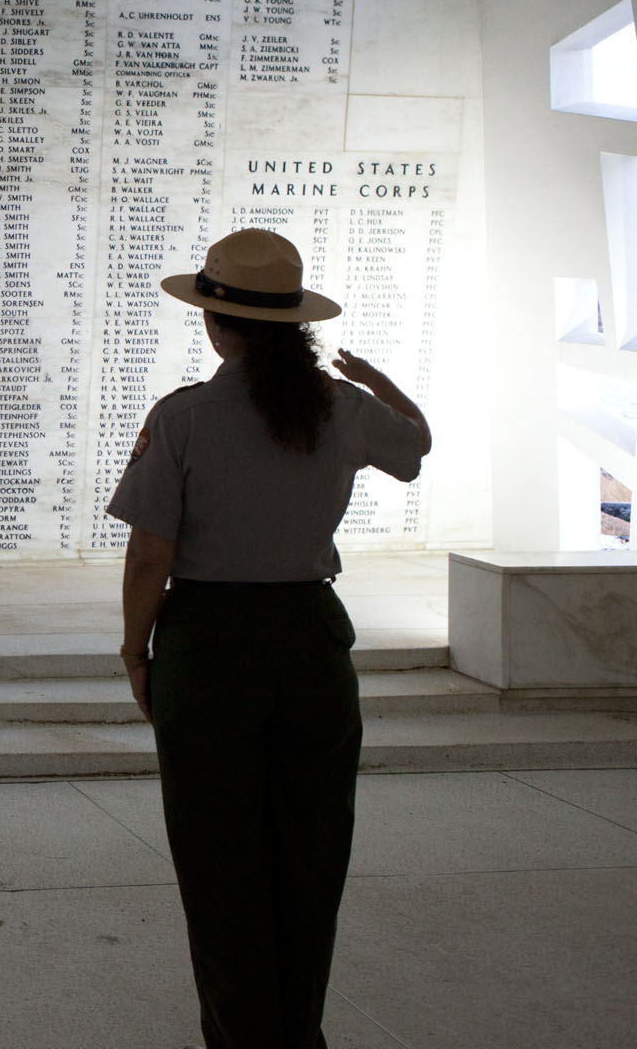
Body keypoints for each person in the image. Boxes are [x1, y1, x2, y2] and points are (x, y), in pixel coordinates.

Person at [107, 227, 431, 1048]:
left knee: (220, 864)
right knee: (311, 857)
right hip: (311, 643)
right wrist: (376, 380)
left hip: (210, 647)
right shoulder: (343, 407)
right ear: (295, 325)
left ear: (217, 324)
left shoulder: (185, 416)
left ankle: (243, 1034)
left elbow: (151, 552)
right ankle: (298, 1030)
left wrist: (134, 649)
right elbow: (416, 445)